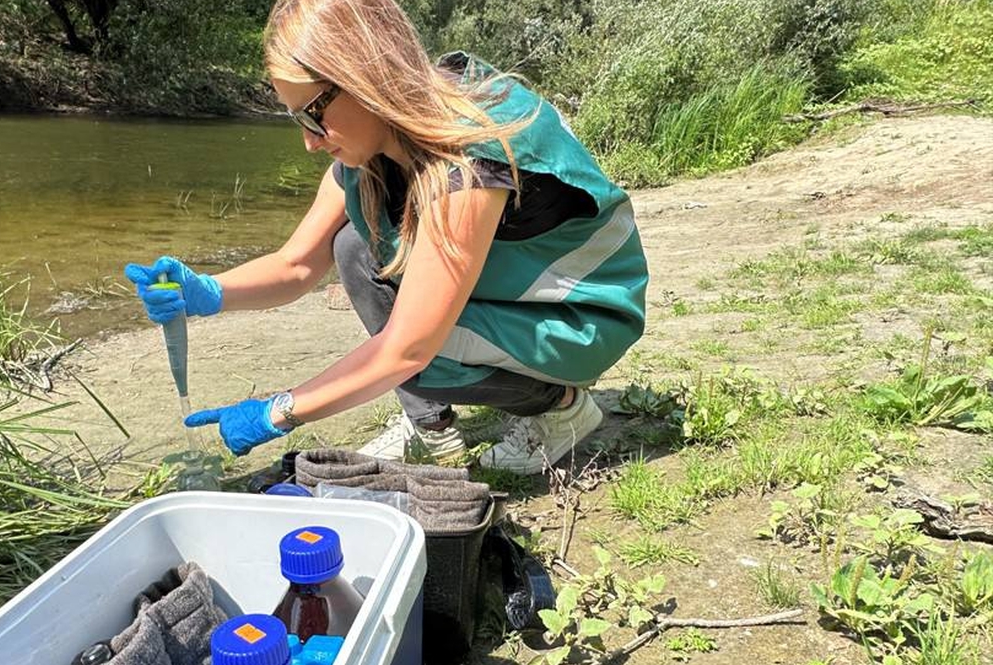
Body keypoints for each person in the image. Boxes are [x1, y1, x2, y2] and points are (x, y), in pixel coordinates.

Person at [124, 0, 648, 476]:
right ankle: (433, 429)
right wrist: (208, 293)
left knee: (419, 348)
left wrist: (279, 411)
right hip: (511, 295)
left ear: (366, 78)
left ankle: (561, 407)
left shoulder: (467, 162)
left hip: (581, 316)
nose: (309, 142)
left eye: (313, 115)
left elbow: (406, 350)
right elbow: (295, 266)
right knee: (353, 244)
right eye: (296, 119)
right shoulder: (371, 146)